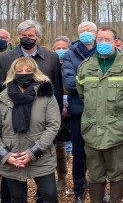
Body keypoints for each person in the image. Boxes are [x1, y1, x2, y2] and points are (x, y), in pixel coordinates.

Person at [76, 26, 123, 202]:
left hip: (118, 131)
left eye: (107, 39)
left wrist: (119, 113)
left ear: (116, 42)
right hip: (92, 130)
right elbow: (82, 94)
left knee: (117, 172)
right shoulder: (85, 67)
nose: (103, 43)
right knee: (95, 173)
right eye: (100, 39)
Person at [0, 20, 64, 202]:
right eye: (23, 36)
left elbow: (57, 91)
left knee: (47, 193)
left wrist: (53, 123)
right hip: (11, 136)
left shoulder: (51, 58)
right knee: (14, 194)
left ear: (38, 38)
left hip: (41, 123)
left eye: (31, 36)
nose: (27, 39)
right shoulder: (4, 58)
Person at [62, 21, 97, 203]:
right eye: (82, 30)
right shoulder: (70, 54)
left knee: (99, 152)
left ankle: (97, 186)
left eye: (89, 30)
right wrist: (97, 84)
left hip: (101, 113)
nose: (86, 33)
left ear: (95, 33)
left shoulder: (103, 52)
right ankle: (79, 189)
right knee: (78, 153)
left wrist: (83, 82)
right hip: (78, 112)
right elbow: (69, 83)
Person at [52, 36, 72, 192]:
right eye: (57, 48)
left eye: (64, 47)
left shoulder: (72, 65)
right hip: (54, 112)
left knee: (80, 147)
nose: (61, 51)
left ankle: (83, 178)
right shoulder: (49, 66)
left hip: (73, 112)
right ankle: (62, 177)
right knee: (58, 146)